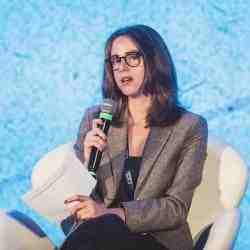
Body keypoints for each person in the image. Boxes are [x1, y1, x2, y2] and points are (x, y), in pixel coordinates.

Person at [61, 24, 208, 250]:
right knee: (98, 230)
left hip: (156, 241)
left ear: (154, 60)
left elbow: (176, 208)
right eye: (116, 60)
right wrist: (87, 164)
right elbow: (78, 201)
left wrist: (110, 213)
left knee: (106, 225)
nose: (121, 67)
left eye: (132, 57)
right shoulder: (96, 118)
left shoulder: (189, 127)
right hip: (98, 238)